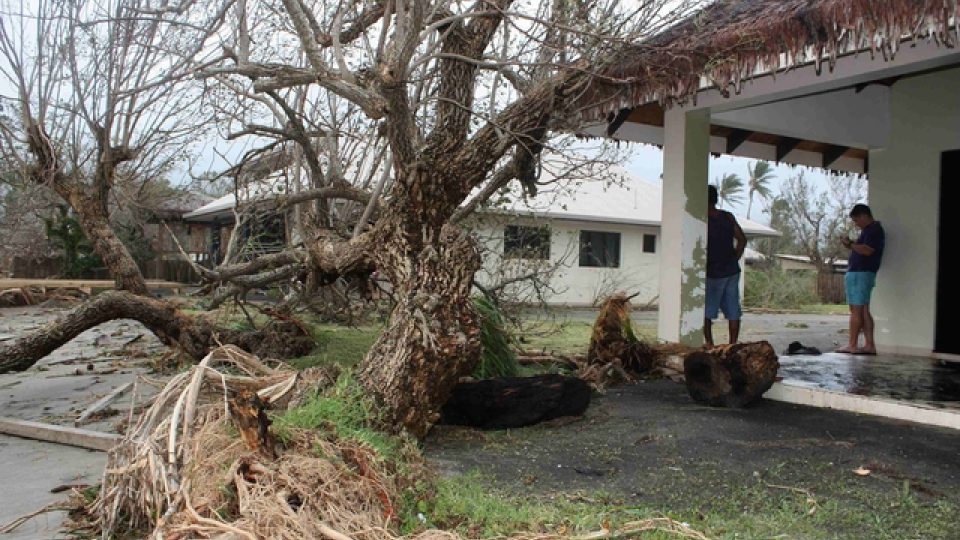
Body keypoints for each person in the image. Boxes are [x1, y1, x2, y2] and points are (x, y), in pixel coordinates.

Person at [836, 203, 884, 355]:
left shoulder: (873, 231)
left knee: (855, 310)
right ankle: (869, 345)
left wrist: (850, 244)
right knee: (863, 310)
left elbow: (867, 250)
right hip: (864, 273)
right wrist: (852, 245)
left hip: (861, 273)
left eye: (857, 220)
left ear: (864, 216)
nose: (856, 224)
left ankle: (852, 344)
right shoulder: (870, 231)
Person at [704, 184, 747, 348]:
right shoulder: (727, 217)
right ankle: (733, 345)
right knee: (733, 310)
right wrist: (734, 259)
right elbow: (742, 239)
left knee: (706, 312)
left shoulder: (703, 219)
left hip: (713, 272)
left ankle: (709, 345)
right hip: (731, 271)